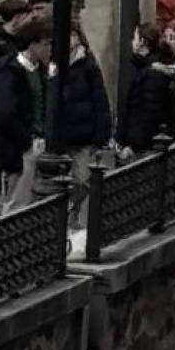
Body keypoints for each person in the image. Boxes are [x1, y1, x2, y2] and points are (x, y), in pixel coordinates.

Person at [55, 21, 113, 233]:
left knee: (82, 180)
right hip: (60, 135)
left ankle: (73, 215)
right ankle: (64, 219)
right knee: (59, 182)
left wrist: (101, 135)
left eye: (72, 35)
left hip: (83, 134)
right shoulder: (54, 62)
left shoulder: (87, 64)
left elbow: (100, 100)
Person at [0, 18, 50, 214]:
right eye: (45, 44)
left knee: (32, 201)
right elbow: (5, 112)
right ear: (32, 44)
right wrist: (26, 140)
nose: (49, 49)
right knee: (15, 202)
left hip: (37, 142)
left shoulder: (41, 71)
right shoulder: (12, 71)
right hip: (17, 147)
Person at [116, 23, 175, 157]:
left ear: (143, 42)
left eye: (135, 38)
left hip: (146, 147)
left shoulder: (153, 74)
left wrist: (133, 145)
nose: (132, 43)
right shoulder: (145, 69)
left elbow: (148, 113)